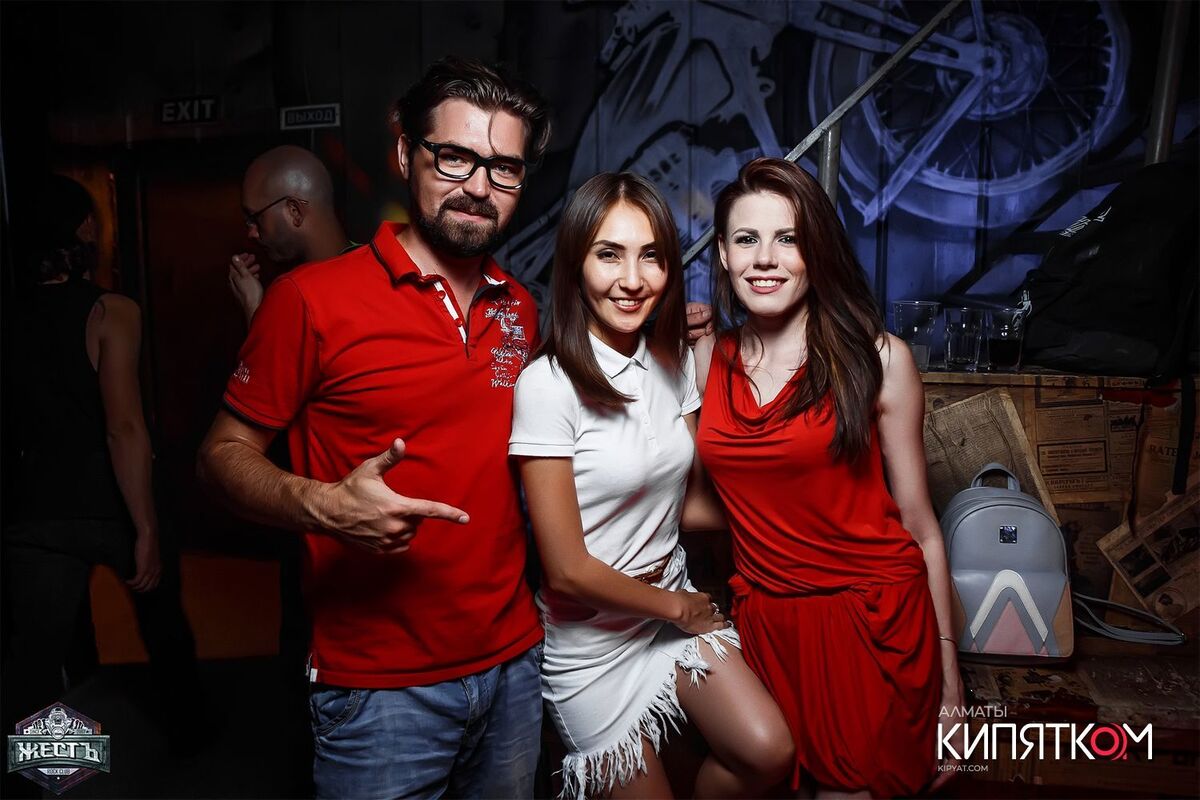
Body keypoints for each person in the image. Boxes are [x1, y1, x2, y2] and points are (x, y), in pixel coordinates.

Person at [197, 57, 554, 798]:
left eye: (505, 168)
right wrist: (323, 505)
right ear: (404, 154)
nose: (479, 186)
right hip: (381, 691)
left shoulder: (519, 306)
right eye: (454, 157)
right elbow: (219, 458)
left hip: (516, 665)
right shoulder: (309, 300)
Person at [510, 172, 793, 800]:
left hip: (669, 603)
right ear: (576, 263)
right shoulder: (547, 385)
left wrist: (801, 510)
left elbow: (692, 505)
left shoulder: (672, 361)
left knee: (768, 753)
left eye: (652, 256)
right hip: (592, 642)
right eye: (609, 255)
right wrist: (680, 609)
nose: (633, 279)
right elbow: (565, 571)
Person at [694, 158, 964, 798]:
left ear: (816, 251)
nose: (765, 258)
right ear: (724, 256)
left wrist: (952, 683)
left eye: (787, 238)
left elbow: (921, 527)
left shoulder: (880, 359)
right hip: (765, 625)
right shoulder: (705, 357)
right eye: (746, 239)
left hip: (869, 623)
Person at [2, 176, 200, 771]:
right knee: (164, 632)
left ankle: (45, 778)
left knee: (33, 663)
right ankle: (192, 757)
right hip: (111, 505)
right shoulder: (111, 311)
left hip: (33, 509)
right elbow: (124, 429)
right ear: (84, 229)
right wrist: (146, 527)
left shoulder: (10, 315)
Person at [228, 145, 353, 324]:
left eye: (255, 218)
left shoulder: (293, 293)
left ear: (294, 211)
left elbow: (271, 345)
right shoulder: (376, 267)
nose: (252, 232)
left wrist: (253, 305)